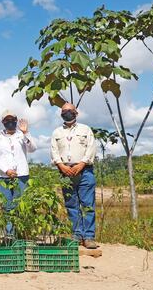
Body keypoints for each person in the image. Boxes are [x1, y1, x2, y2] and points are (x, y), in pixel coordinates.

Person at [51, 102, 98, 249]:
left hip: (85, 170)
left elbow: (91, 148)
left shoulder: (85, 129)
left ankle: (89, 237)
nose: (67, 113)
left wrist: (81, 164)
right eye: (64, 111)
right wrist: (62, 166)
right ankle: (77, 235)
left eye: (70, 110)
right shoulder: (57, 132)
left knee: (87, 204)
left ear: (76, 112)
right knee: (71, 204)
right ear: (61, 114)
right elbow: (54, 151)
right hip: (65, 171)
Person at [0, 109, 37, 236]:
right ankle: (9, 236)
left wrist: (26, 132)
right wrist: (6, 170)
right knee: (7, 206)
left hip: (21, 176)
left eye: (12, 120)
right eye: (7, 120)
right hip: (2, 176)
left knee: (19, 205)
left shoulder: (22, 135)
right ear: (2, 122)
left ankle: (20, 235)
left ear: (16, 121)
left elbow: (32, 148)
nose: (10, 122)